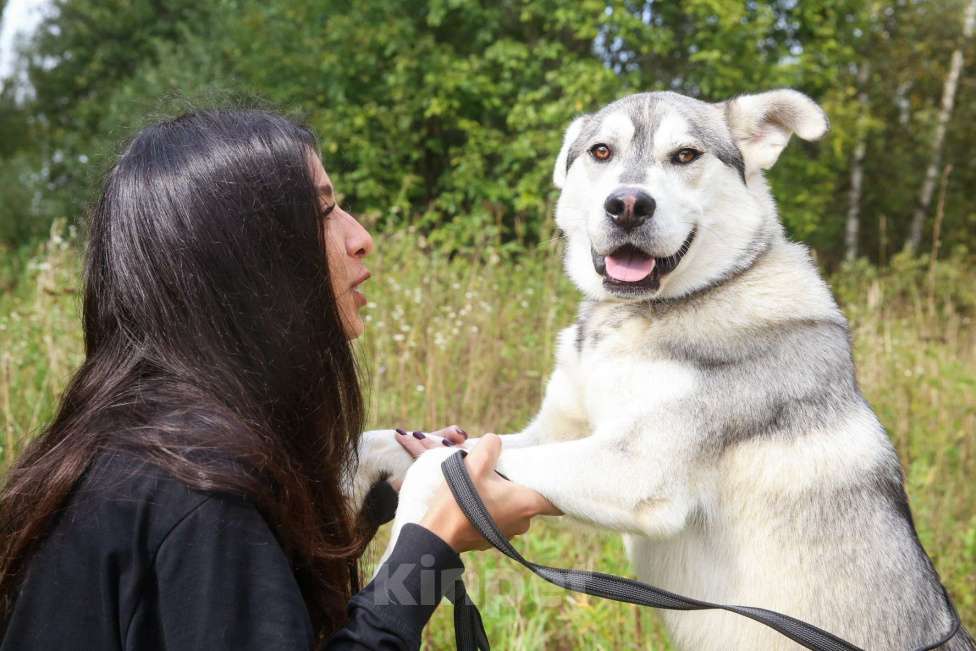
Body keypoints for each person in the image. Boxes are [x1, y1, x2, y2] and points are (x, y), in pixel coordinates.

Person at [0, 109, 558, 650]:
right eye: (324, 211)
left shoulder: (136, 450)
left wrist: (374, 492)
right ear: (242, 257)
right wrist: (434, 543)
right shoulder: (204, 491)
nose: (360, 237)